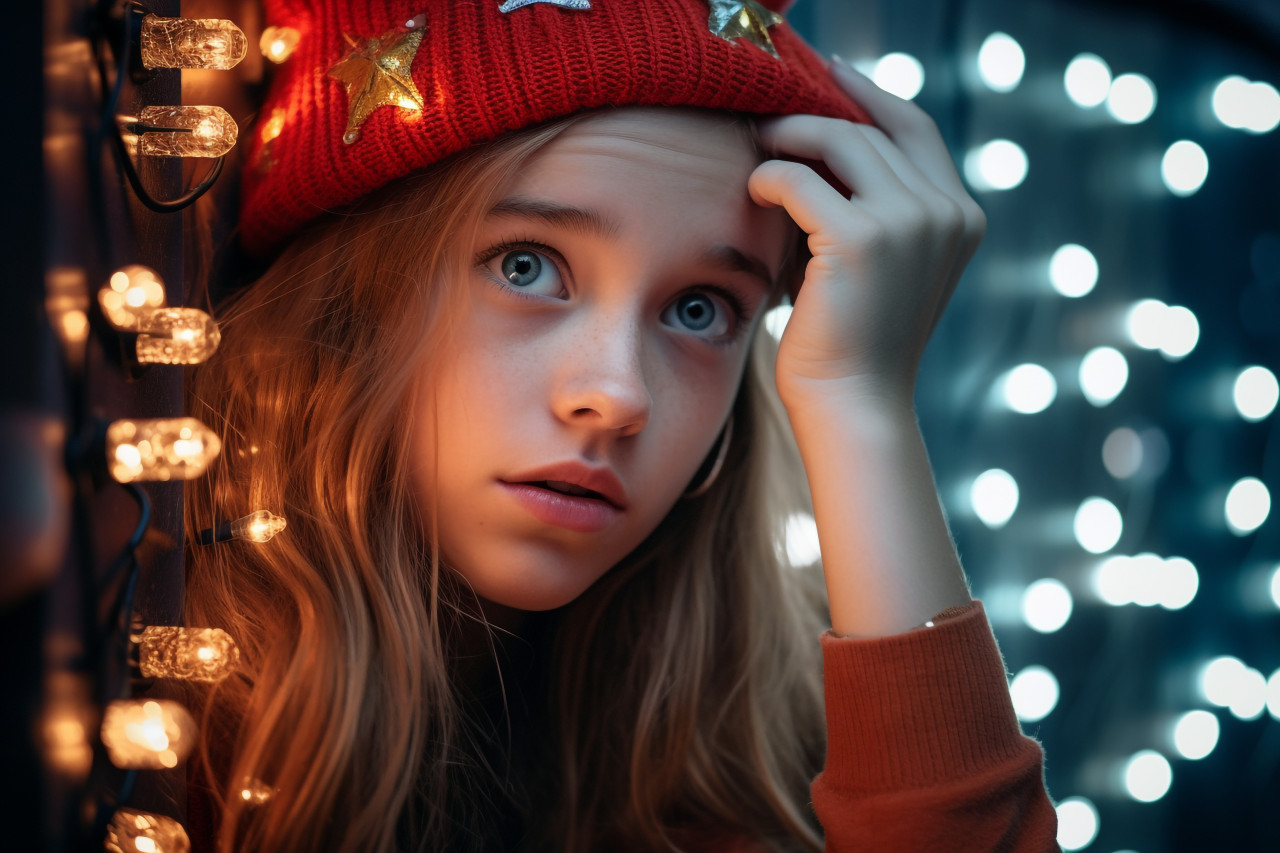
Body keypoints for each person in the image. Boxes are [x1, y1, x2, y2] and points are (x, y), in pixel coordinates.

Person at [183, 1, 1058, 850]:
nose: (618, 394)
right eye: (525, 266)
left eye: (700, 309)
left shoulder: (751, 775)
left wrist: (861, 400)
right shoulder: (160, 725)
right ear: (342, 303)